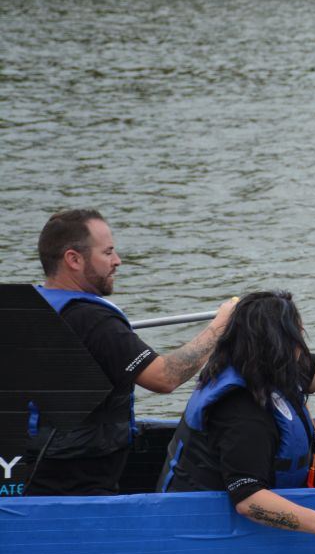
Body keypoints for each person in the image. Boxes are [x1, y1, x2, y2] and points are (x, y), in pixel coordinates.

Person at [27, 209, 236, 496]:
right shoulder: (92, 321)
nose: (117, 261)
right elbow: (164, 377)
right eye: (107, 252)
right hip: (78, 485)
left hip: (38, 468)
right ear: (74, 259)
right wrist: (221, 325)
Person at [157, 291, 315, 543]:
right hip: (199, 531)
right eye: (297, 333)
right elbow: (248, 500)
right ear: (278, 342)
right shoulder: (241, 410)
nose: (302, 338)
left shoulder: (267, 367)